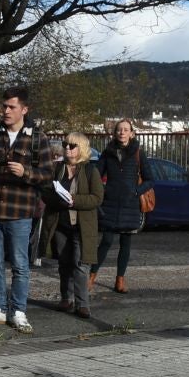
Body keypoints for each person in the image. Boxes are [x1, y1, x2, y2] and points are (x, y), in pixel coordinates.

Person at [0, 87, 54, 334]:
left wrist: (26, 172)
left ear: (24, 109)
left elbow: (49, 174)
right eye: (4, 106)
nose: (6, 111)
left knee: (20, 264)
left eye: (11, 107)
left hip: (20, 211)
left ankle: (18, 311)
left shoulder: (37, 138)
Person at [91, 119, 154, 294]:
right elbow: (96, 175)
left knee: (125, 243)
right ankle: (92, 276)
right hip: (110, 204)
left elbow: (150, 179)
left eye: (126, 130)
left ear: (131, 133)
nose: (122, 132)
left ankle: (120, 279)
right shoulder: (107, 152)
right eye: (119, 130)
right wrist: (103, 189)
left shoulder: (138, 153)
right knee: (106, 241)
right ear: (115, 133)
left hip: (129, 205)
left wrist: (135, 191)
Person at [44, 132, 103, 319]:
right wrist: (59, 199)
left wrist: (74, 200)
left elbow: (97, 198)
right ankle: (66, 299)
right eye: (66, 144)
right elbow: (45, 193)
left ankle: (82, 304)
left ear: (82, 149)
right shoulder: (57, 168)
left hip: (81, 227)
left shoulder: (90, 171)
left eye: (72, 145)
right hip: (60, 224)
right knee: (64, 263)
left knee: (80, 265)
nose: (67, 148)